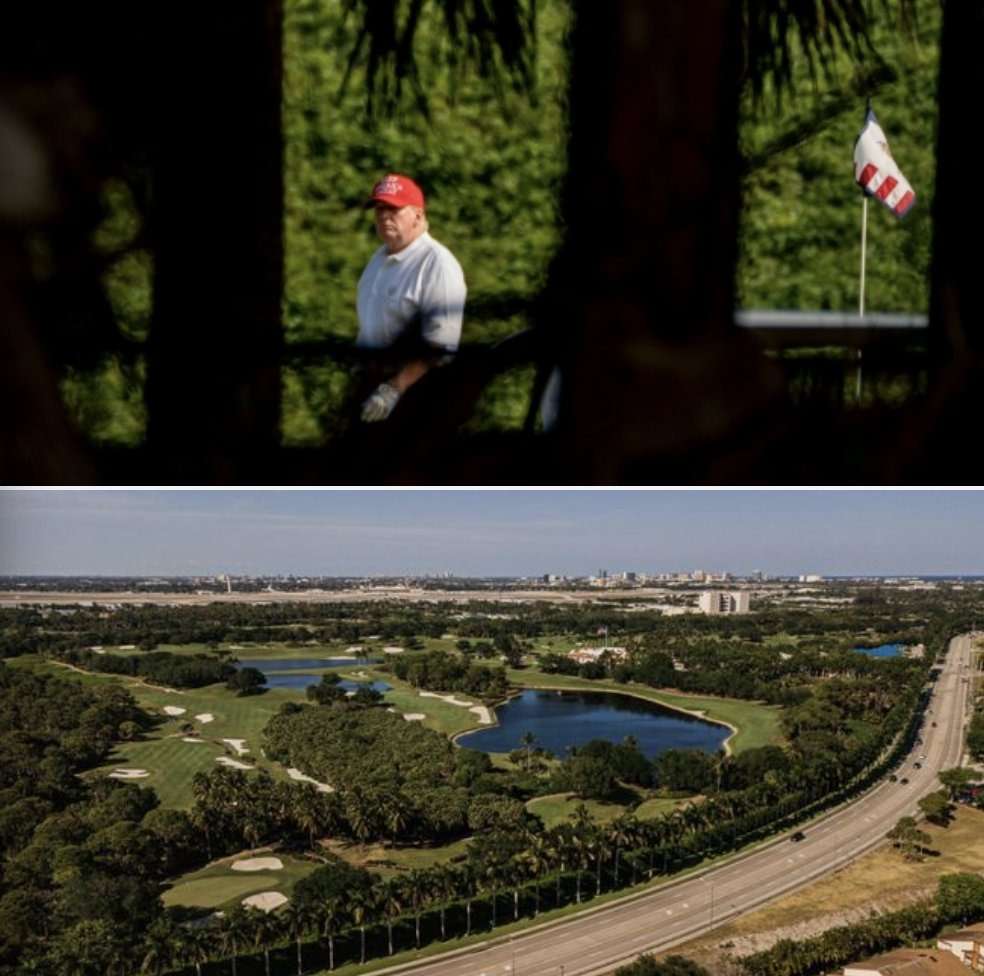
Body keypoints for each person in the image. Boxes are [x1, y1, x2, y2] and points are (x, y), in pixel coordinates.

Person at [354, 173, 467, 423]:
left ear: (417, 215)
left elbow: (441, 345)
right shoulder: (377, 261)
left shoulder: (437, 264)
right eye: (379, 208)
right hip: (373, 389)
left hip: (418, 397)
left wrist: (394, 388)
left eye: (393, 208)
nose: (384, 215)